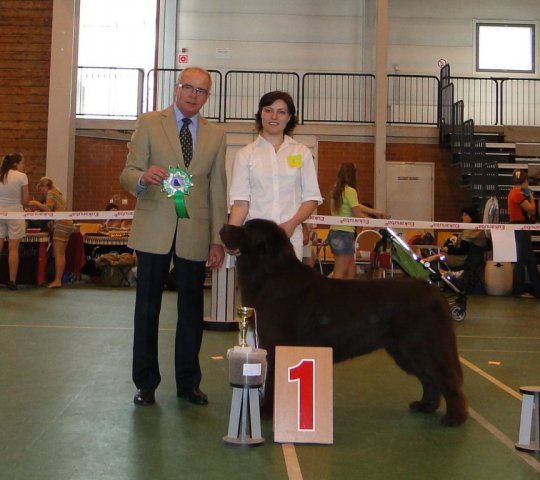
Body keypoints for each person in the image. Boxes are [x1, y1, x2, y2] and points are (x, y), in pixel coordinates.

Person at [119, 67, 227, 407]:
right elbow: (127, 173)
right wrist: (142, 177)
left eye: (202, 91)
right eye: (188, 87)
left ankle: (188, 383)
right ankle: (146, 383)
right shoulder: (150, 122)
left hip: (195, 233)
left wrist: (217, 238)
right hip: (154, 231)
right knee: (147, 310)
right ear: (177, 88)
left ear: (208, 97)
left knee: (192, 312)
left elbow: (217, 189)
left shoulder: (216, 136)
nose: (194, 95)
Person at [227, 91, 323, 260]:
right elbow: (241, 202)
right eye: (268, 110)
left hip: (290, 238)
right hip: (254, 240)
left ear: (289, 117)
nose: (274, 116)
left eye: (281, 112)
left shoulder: (302, 153)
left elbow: (311, 199)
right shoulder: (245, 154)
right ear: (260, 114)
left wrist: (291, 225)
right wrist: (232, 237)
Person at [327, 162, 388, 279]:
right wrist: (374, 222)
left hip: (335, 233)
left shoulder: (336, 189)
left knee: (351, 269)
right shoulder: (350, 191)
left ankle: (349, 294)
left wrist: (377, 213)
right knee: (339, 272)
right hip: (344, 235)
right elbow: (357, 213)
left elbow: (356, 206)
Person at [507, 170, 540, 299]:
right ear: (525, 181)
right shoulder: (517, 194)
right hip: (520, 229)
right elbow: (532, 210)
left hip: (520, 229)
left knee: (529, 260)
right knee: (521, 261)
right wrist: (532, 197)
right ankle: (520, 290)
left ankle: (538, 289)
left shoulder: (513, 193)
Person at [28, 177, 74, 288]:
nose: (41, 192)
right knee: (61, 254)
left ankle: (57, 280)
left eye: (41, 189)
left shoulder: (51, 193)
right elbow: (57, 210)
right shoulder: (58, 193)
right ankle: (58, 279)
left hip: (61, 224)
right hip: (67, 223)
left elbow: (49, 209)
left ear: (45, 186)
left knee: (57, 253)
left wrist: (36, 203)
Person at [441, 207, 487, 292]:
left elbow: (462, 250)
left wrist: (448, 249)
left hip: (466, 259)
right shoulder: (478, 229)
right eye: (462, 215)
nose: (462, 217)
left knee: (440, 258)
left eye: (465, 215)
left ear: (472, 217)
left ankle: (448, 285)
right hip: (474, 257)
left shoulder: (470, 231)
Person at [0, 153, 29, 290]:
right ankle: (12, 281)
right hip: (15, 213)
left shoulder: (1, 174)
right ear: (16, 164)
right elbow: (25, 200)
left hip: (0, 212)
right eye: (23, 163)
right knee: (13, 249)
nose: (25, 166)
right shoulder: (22, 176)